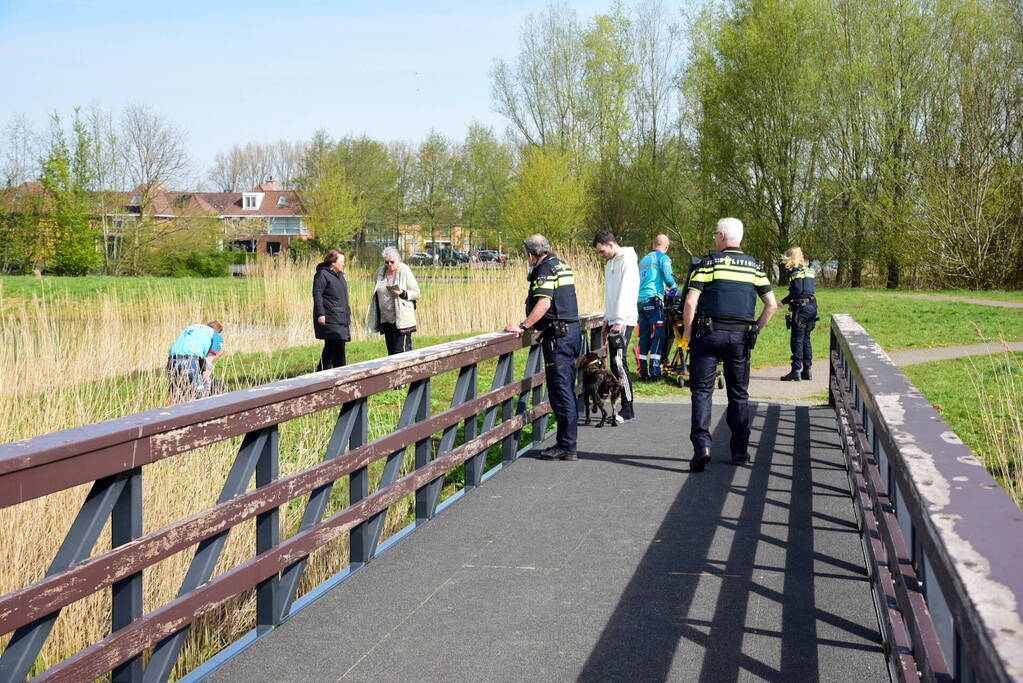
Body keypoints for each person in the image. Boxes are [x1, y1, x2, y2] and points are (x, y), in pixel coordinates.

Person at [683, 217, 778, 471]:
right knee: (738, 394)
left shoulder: (709, 263)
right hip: (739, 338)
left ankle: (702, 447)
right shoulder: (755, 267)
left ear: (723, 237)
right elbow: (771, 304)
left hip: (709, 335)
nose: (714, 238)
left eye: (715, 234)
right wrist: (755, 330)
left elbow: (691, 301)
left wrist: (689, 333)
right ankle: (739, 451)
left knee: (702, 392)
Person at [504, 234, 581, 461]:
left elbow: (544, 302)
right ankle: (568, 443)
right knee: (567, 389)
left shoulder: (545, 270)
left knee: (560, 392)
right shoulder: (562, 265)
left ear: (530, 254)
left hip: (558, 338)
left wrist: (523, 326)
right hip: (572, 332)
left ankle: (567, 446)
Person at [592, 230, 639, 424]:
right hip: (614, 319)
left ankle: (628, 409)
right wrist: (607, 317)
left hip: (625, 319)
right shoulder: (610, 263)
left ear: (611, 244)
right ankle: (624, 406)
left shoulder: (627, 261)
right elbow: (610, 293)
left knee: (619, 362)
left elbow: (627, 291)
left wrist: (618, 320)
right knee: (614, 363)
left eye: (602, 251)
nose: (601, 255)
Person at [636, 234, 678, 381]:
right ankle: (655, 371)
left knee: (644, 337)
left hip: (641, 302)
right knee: (658, 336)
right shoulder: (663, 258)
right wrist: (675, 290)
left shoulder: (644, 260)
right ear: (666, 246)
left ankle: (642, 371)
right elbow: (667, 277)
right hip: (654, 302)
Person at [366, 246, 421, 355]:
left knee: (401, 354)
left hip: (401, 320)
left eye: (392, 262)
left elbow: (417, 293)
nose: (389, 265)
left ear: (398, 259)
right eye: (387, 262)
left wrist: (402, 293)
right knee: (391, 354)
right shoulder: (380, 272)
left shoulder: (404, 271)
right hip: (386, 320)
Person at [779, 247, 817, 381]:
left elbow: (797, 290)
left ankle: (795, 371)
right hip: (812, 306)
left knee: (797, 339)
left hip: (802, 309)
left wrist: (782, 302)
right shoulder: (809, 270)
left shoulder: (795, 272)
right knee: (806, 339)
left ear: (790, 258)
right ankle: (807, 370)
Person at [167, 320, 224, 403]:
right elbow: (207, 363)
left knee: (176, 393)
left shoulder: (193, 327)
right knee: (200, 393)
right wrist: (207, 381)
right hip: (190, 360)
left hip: (172, 360)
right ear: (219, 332)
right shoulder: (216, 336)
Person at [313, 249, 351, 371]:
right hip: (331, 317)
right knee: (338, 346)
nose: (343, 264)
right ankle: (341, 374)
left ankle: (320, 374)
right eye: (341, 261)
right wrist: (320, 314)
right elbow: (317, 294)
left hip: (341, 316)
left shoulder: (340, 275)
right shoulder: (322, 274)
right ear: (333, 262)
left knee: (330, 347)